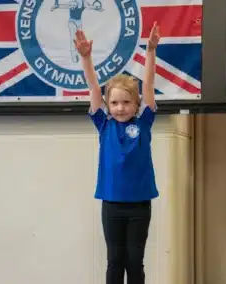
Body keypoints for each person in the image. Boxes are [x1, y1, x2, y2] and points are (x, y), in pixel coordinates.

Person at [74, 22, 161, 284]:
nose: (120, 108)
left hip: (139, 205)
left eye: (126, 102)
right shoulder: (104, 125)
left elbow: (148, 86)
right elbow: (93, 89)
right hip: (111, 204)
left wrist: (151, 52)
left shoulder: (143, 123)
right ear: (107, 105)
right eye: (114, 102)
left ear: (137, 105)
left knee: (134, 262)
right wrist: (86, 58)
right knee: (115, 262)